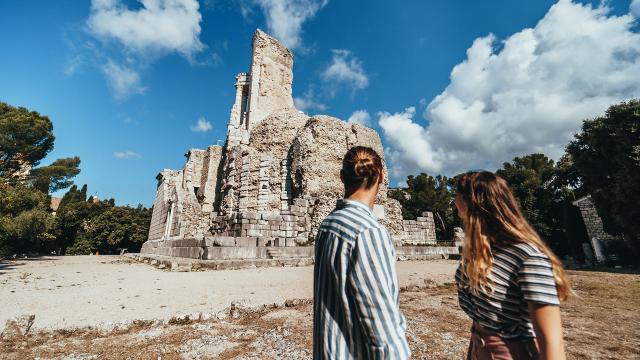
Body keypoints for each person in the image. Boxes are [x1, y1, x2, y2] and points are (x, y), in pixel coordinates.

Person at [454, 171, 570, 360]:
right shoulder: (483, 252)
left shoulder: (527, 257)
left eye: (457, 195)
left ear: (471, 201)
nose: (454, 202)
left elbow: (552, 342)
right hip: (479, 347)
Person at [313, 146, 410, 360]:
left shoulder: (328, 224)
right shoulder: (368, 231)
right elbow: (382, 327)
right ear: (382, 177)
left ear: (341, 177)